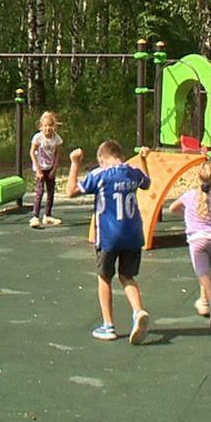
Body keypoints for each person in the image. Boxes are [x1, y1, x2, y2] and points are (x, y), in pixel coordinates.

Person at [66, 141, 152, 344]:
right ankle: (138, 311)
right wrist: (143, 160)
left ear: (102, 159)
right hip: (133, 235)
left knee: (104, 278)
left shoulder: (100, 175)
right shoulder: (132, 172)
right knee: (127, 276)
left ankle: (108, 325)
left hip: (109, 237)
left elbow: (70, 191)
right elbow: (147, 183)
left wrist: (75, 163)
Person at [168, 159, 211, 331]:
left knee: (203, 273)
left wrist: (186, 214)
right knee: (205, 273)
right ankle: (203, 302)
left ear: (198, 179)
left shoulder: (189, 196)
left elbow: (172, 208)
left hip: (197, 240)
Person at [28, 111, 63, 229]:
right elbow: (32, 152)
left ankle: (47, 215)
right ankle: (35, 216)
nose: (48, 128)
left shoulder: (56, 139)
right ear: (41, 126)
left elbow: (57, 155)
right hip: (40, 168)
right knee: (40, 191)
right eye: (45, 125)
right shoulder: (38, 137)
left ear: (54, 126)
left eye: (50, 125)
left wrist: (54, 169)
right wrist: (38, 170)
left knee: (51, 192)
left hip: (50, 168)